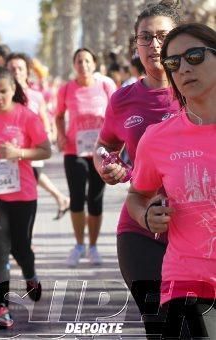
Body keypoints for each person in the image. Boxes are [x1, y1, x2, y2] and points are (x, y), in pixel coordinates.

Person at [93, 1, 182, 337]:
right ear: (136, 45)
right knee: (159, 326)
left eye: (162, 36)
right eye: (145, 38)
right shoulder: (123, 99)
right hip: (139, 231)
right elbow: (104, 147)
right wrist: (105, 165)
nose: (154, 46)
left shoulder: (203, 94)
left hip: (197, 232)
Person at [126, 22, 216, 339]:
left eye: (194, 56)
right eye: (173, 63)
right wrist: (146, 215)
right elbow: (137, 195)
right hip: (187, 278)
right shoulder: (158, 138)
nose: (183, 68)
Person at [0, 67, 51, 329]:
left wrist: (18, 152)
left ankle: (30, 274)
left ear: (13, 90)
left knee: (21, 248)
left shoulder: (26, 116)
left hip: (23, 194)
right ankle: (2, 307)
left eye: (4, 91)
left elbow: (46, 151)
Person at [55, 47, 117, 267]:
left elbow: (117, 113)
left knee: (95, 199)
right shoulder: (66, 89)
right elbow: (59, 116)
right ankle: (79, 245)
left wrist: (117, 143)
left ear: (95, 64)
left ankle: (93, 247)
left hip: (101, 151)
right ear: (74, 65)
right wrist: (61, 135)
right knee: (77, 198)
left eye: (87, 61)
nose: (83, 65)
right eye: (79, 61)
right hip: (74, 151)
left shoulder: (105, 86)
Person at [6, 52, 70, 220]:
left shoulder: (36, 95)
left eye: (20, 68)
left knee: (31, 180)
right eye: (12, 68)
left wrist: (49, 135)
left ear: (27, 71)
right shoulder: (2, 96)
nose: (16, 72)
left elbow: (44, 118)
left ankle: (59, 200)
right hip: (9, 152)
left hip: (33, 149)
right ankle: (61, 198)